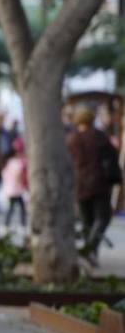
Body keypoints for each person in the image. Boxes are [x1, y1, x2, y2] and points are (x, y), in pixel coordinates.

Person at [68, 107, 118, 263]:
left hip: (80, 184)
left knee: (86, 220)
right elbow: (112, 157)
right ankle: (90, 249)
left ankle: (90, 251)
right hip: (99, 183)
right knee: (102, 218)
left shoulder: (72, 139)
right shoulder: (99, 137)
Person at [2, 137, 29, 231]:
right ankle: (21, 224)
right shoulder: (20, 163)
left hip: (11, 189)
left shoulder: (10, 162)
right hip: (17, 190)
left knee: (13, 208)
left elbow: (4, 174)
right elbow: (20, 176)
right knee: (18, 208)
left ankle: (8, 224)